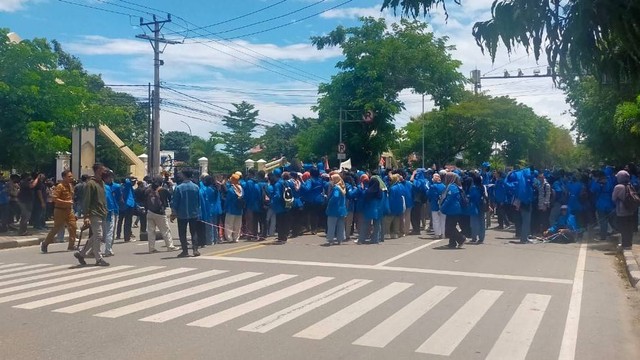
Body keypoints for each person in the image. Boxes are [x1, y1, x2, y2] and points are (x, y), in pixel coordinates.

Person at [74, 163, 110, 267]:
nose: (105, 172)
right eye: (103, 170)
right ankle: (99, 258)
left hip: (101, 212)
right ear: (98, 170)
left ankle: (81, 254)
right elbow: (87, 200)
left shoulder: (101, 183)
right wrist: (86, 216)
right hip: (94, 213)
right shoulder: (91, 184)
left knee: (96, 236)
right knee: (98, 235)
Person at [41, 170, 77, 253]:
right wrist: (66, 202)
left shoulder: (70, 186)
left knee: (73, 227)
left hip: (69, 210)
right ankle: (45, 243)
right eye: (69, 176)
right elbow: (54, 199)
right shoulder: (60, 186)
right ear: (64, 177)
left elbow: (71, 197)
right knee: (56, 228)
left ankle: (71, 245)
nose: (71, 178)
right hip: (60, 210)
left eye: (71, 176)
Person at [170, 169, 202, 257]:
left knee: (182, 233)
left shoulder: (179, 187)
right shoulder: (196, 187)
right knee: (194, 232)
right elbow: (199, 201)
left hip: (182, 213)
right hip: (194, 213)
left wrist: (173, 213)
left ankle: (185, 251)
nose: (180, 176)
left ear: (184, 175)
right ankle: (195, 250)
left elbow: (175, 201)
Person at [145, 175, 176, 253]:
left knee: (151, 231)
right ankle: (170, 246)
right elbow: (170, 197)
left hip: (150, 212)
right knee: (165, 230)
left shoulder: (148, 190)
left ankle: (151, 248)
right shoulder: (163, 190)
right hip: (160, 213)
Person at [440, 172, 466, 248]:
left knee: (449, 227)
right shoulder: (451, 186)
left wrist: (443, 207)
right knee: (451, 226)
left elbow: (449, 199)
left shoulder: (452, 187)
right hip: (452, 209)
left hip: (453, 209)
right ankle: (452, 243)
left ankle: (461, 238)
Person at [612, 170, 636, 250]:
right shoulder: (630, 185)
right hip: (630, 210)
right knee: (629, 228)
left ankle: (625, 245)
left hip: (621, 211)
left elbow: (613, 198)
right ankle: (629, 244)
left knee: (623, 228)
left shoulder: (618, 187)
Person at [324, 173, 347, 245]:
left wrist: (329, 203)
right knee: (341, 225)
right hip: (342, 209)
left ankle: (330, 239)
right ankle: (340, 239)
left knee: (331, 225)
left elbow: (335, 197)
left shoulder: (336, 188)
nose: (331, 180)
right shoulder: (342, 187)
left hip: (334, 209)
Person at [102, 170, 118, 257]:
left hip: (102, 211)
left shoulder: (101, 186)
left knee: (103, 232)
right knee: (109, 232)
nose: (111, 178)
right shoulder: (107, 187)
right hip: (109, 211)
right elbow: (109, 200)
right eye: (110, 177)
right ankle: (108, 250)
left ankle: (92, 250)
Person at [225, 174, 244, 243]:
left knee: (229, 224)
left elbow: (227, 200)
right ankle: (236, 238)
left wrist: (225, 207)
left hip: (231, 209)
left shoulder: (231, 190)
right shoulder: (241, 189)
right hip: (239, 209)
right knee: (238, 225)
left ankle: (229, 238)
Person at [428, 173, 446, 239]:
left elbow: (429, 195)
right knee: (443, 220)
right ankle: (443, 234)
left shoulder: (432, 186)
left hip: (434, 204)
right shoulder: (444, 186)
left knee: (435, 220)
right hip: (443, 205)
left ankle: (437, 234)